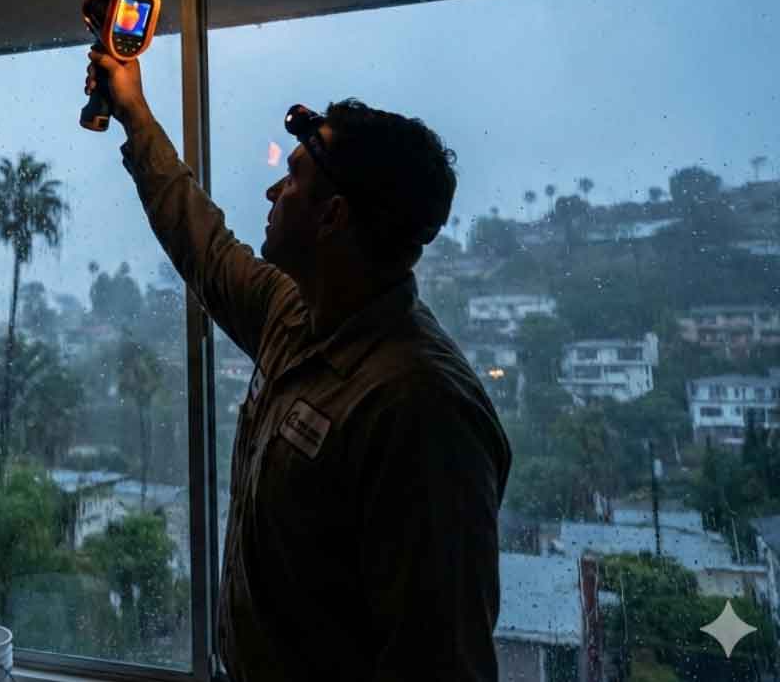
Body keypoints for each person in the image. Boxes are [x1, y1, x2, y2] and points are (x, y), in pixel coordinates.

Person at [85, 50, 512, 681]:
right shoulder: (295, 316)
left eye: (292, 179)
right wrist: (134, 111)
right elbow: (203, 245)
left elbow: (439, 659)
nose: (272, 191)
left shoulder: (422, 410)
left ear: (333, 216)